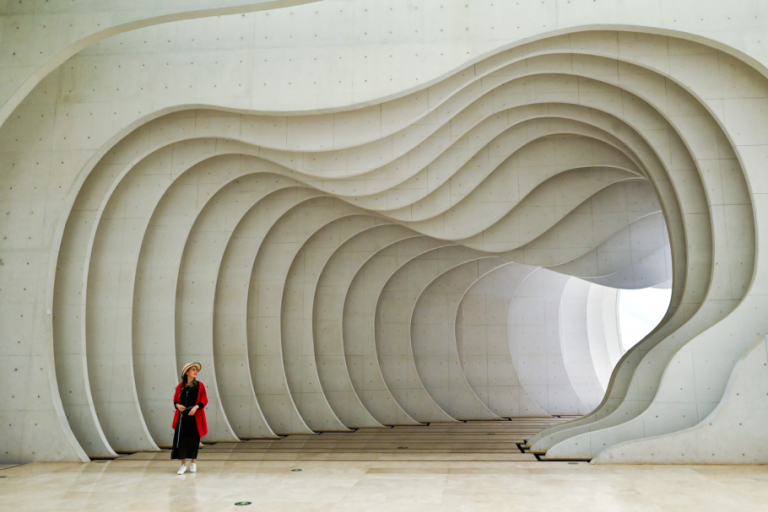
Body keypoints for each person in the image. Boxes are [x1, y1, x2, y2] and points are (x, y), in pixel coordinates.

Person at [172, 362, 208, 475]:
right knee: (182, 440)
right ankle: (183, 465)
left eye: (196, 370)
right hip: (182, 417)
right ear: (187, 372)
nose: (196, 372)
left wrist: (196, 408)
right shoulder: (180, 387)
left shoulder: (200, 385)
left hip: (195, 416)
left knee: (194, 440)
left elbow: (204, 399)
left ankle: (193, 462)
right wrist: (178, 406)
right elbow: (175, 400)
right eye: (193, 369)